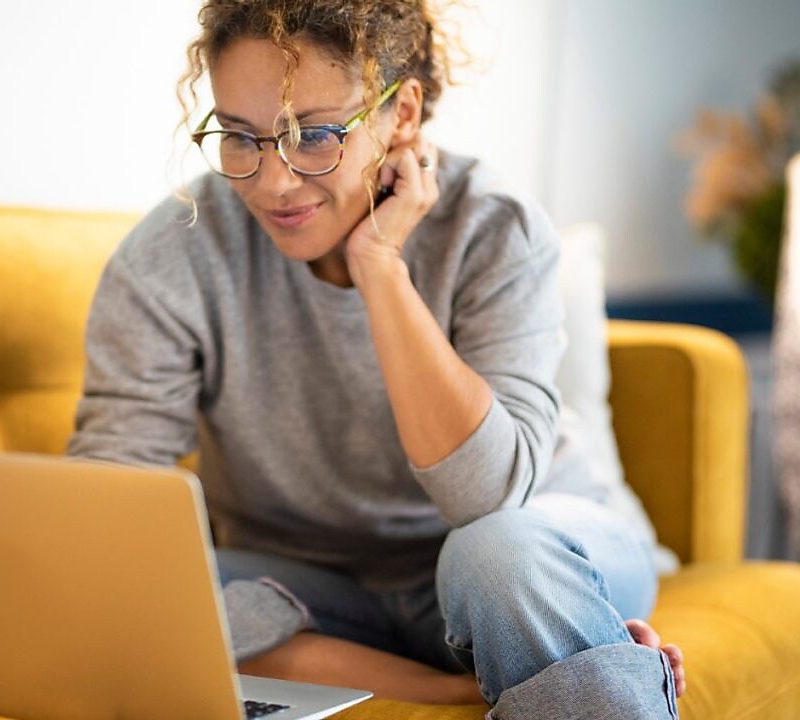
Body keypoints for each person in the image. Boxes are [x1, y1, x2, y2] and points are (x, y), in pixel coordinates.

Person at [66, 1, 685, 717]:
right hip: (313, 587)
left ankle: (530, 657)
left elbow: (487, 500)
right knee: (138, 589)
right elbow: (108, 513)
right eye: (241, 137)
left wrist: (381, 267)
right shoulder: (172, 256)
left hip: (525, 550)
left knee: (496, 558)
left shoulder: (494, 229)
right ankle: (463, 683)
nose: (273, 182)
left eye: (317, 135)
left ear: (403, 115)